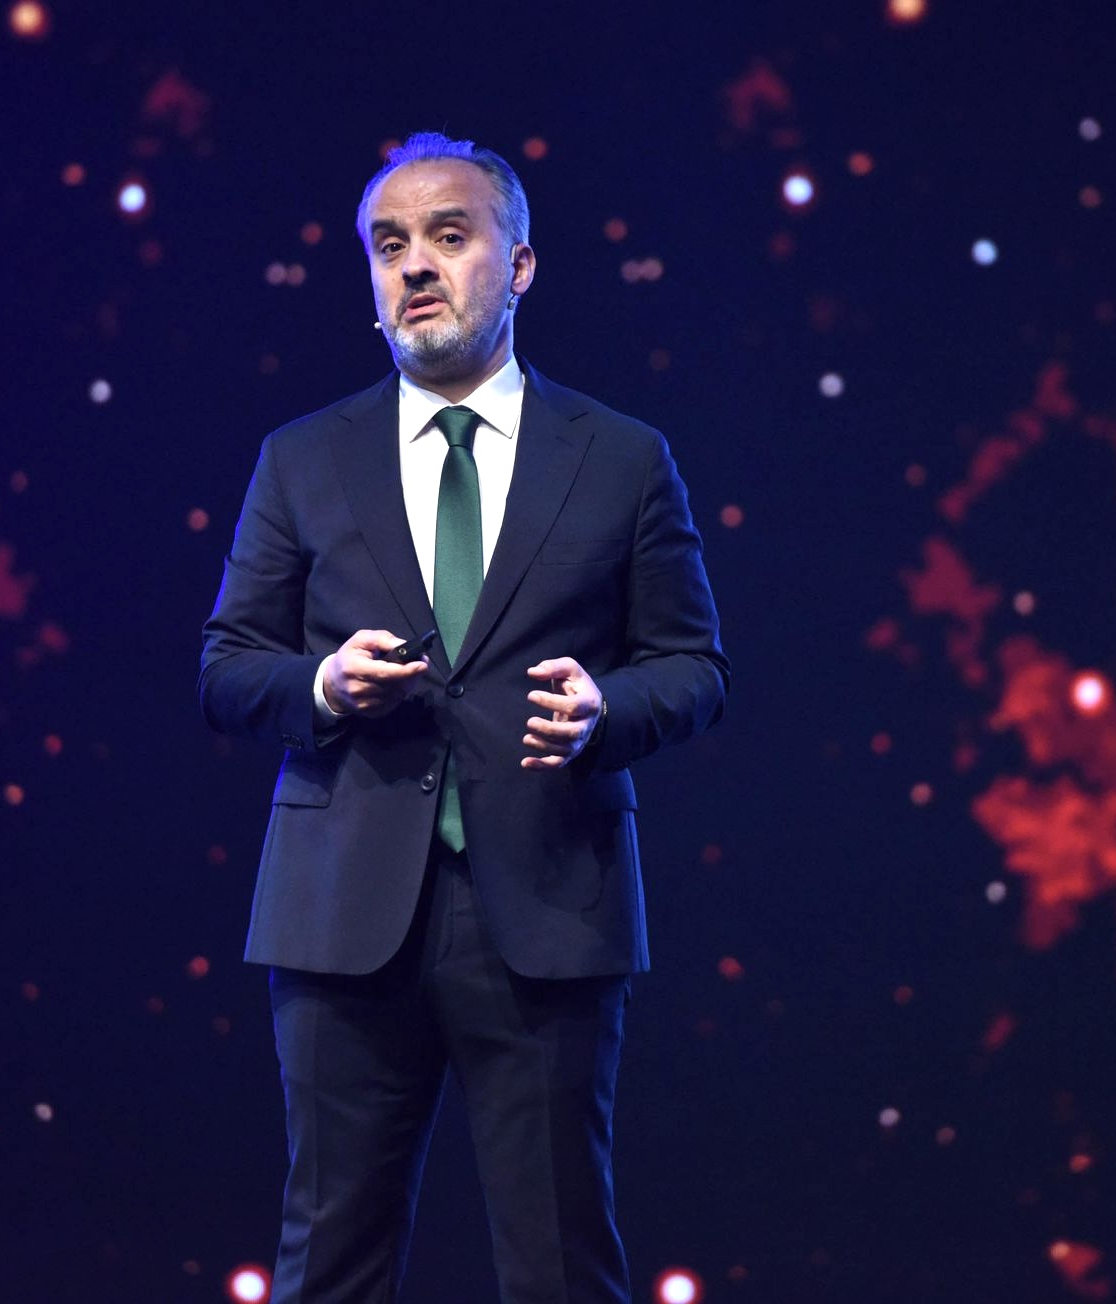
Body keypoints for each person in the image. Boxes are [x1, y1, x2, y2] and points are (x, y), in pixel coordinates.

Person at [200, 130, 728, 1304]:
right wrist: (323, 684)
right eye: (389, 245)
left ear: (520, 264)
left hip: (546, 903)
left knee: (559, 1264)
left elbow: (692, 666)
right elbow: (226, 666)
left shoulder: (621, 457)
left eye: (448, 235)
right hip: (341, 914)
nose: (415, 266)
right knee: (327, 1262)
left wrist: (606, 708)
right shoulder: (301, 457)